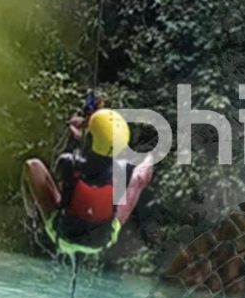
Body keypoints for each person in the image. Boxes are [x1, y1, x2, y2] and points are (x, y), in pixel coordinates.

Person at [23, 108, 153, 256]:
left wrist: (79, 139)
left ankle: (34, 218)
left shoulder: (68, 162)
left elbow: (73, 170)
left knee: (33, 165)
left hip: (63, 236)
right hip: (102, 242)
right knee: (139, 177)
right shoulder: (124, 170)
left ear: (90, 139)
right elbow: (104, 167)